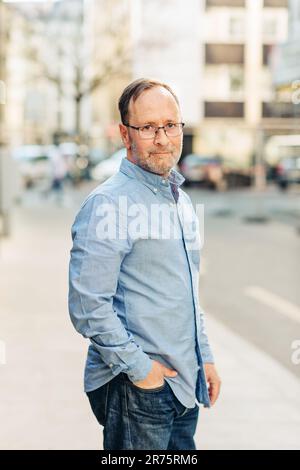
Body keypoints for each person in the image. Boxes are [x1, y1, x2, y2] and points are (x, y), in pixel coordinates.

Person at [68, 78, 221, 450]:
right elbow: (88, 307)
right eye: (148, 128)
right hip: (138, 390)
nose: (163, 139)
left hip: (185, 385)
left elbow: (185, 293)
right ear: (125, 134)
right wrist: (141, 371)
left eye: (170, 125)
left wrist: (206, 358)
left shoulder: (179, 201)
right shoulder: (108, 204)